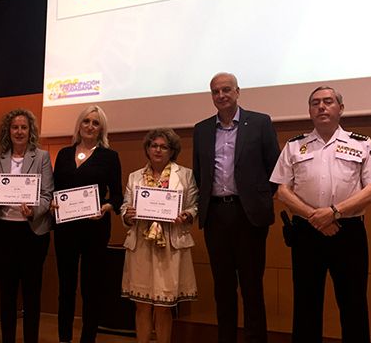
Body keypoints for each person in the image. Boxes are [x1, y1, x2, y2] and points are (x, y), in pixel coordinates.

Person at [270, 86, 371, 343]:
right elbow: (282, 191)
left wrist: (334, 213)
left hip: (349, 233)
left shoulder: (360, 143)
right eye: (315, 103)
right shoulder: (294, 146)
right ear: (310, 111)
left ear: (341, 108)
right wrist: (316, 217)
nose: (321, 107)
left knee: (353, 303)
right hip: (306, 233)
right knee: (306, 303)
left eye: (328, 102)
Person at [192, 72, 280, 343]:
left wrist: (259, 200)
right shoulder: (202, 129)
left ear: (238, 91)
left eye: (226, 90)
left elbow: (275, 169)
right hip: (216, 215)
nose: (221, 96)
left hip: (249, 215)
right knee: (223, 288)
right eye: (216, 92)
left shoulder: (260, 123)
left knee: (252, 287)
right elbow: (199, 173)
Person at [52, 105, 123, 343]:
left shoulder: (109, 156)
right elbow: (54, 190)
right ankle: (64, 338)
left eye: (95, 123)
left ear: (101, 129)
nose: (90, 126)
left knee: (91, 289)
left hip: (95, 229)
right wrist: (53, 204)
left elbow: (117, 196)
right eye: (86, 121)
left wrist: (107, 207)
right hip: (65, 230)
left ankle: (87, 339)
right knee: (66, 288)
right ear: (79, 125)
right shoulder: (63, 154)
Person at [121, 128, 198, 343]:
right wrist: (128, 215)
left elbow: (194, 207)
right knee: (142, 305)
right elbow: (125, 207)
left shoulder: (185, 175)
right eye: (154, 145)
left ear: (172, 151)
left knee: (164, 307)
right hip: (141, 246)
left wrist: (186, 215)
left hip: (170, 246)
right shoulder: (135, 176)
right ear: (147, 148)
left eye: (164, 146)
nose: (158, 150)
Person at [0, 109, 54, 343]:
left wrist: (34, 211)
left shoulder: (42, 156)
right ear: (9, 130)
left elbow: (47, 195)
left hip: (32, 232)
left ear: (30, 131)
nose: (19, 131)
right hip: (5, 231)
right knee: (7, 293)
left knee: (31, 293)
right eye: (15, 127)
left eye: (23, 127)